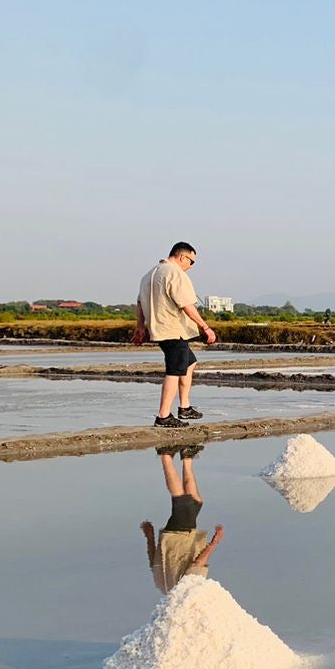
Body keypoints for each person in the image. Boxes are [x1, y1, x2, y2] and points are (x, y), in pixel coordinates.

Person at [133, 241, 218, 428]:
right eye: (191, 261)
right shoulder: (174, 273)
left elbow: (140, 303)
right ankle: (163, 416)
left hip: (160, 328)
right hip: (172, 330)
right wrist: (205, 327)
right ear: (182, 257)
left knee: (189, 362)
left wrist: (140, 328)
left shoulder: (149, 275)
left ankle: (184, 406)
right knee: (174, 371)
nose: (191, 266)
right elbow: (187, 305)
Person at [142, 444, 224, 592]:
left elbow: (198, 563)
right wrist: (150, 536)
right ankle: (187, 457)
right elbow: (153, 564)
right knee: (196, 502)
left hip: (180, 537)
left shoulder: (189, 586)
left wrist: (215, 542)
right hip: (174, 537)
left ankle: (165, 456)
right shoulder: (165, 587)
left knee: (180, 498)